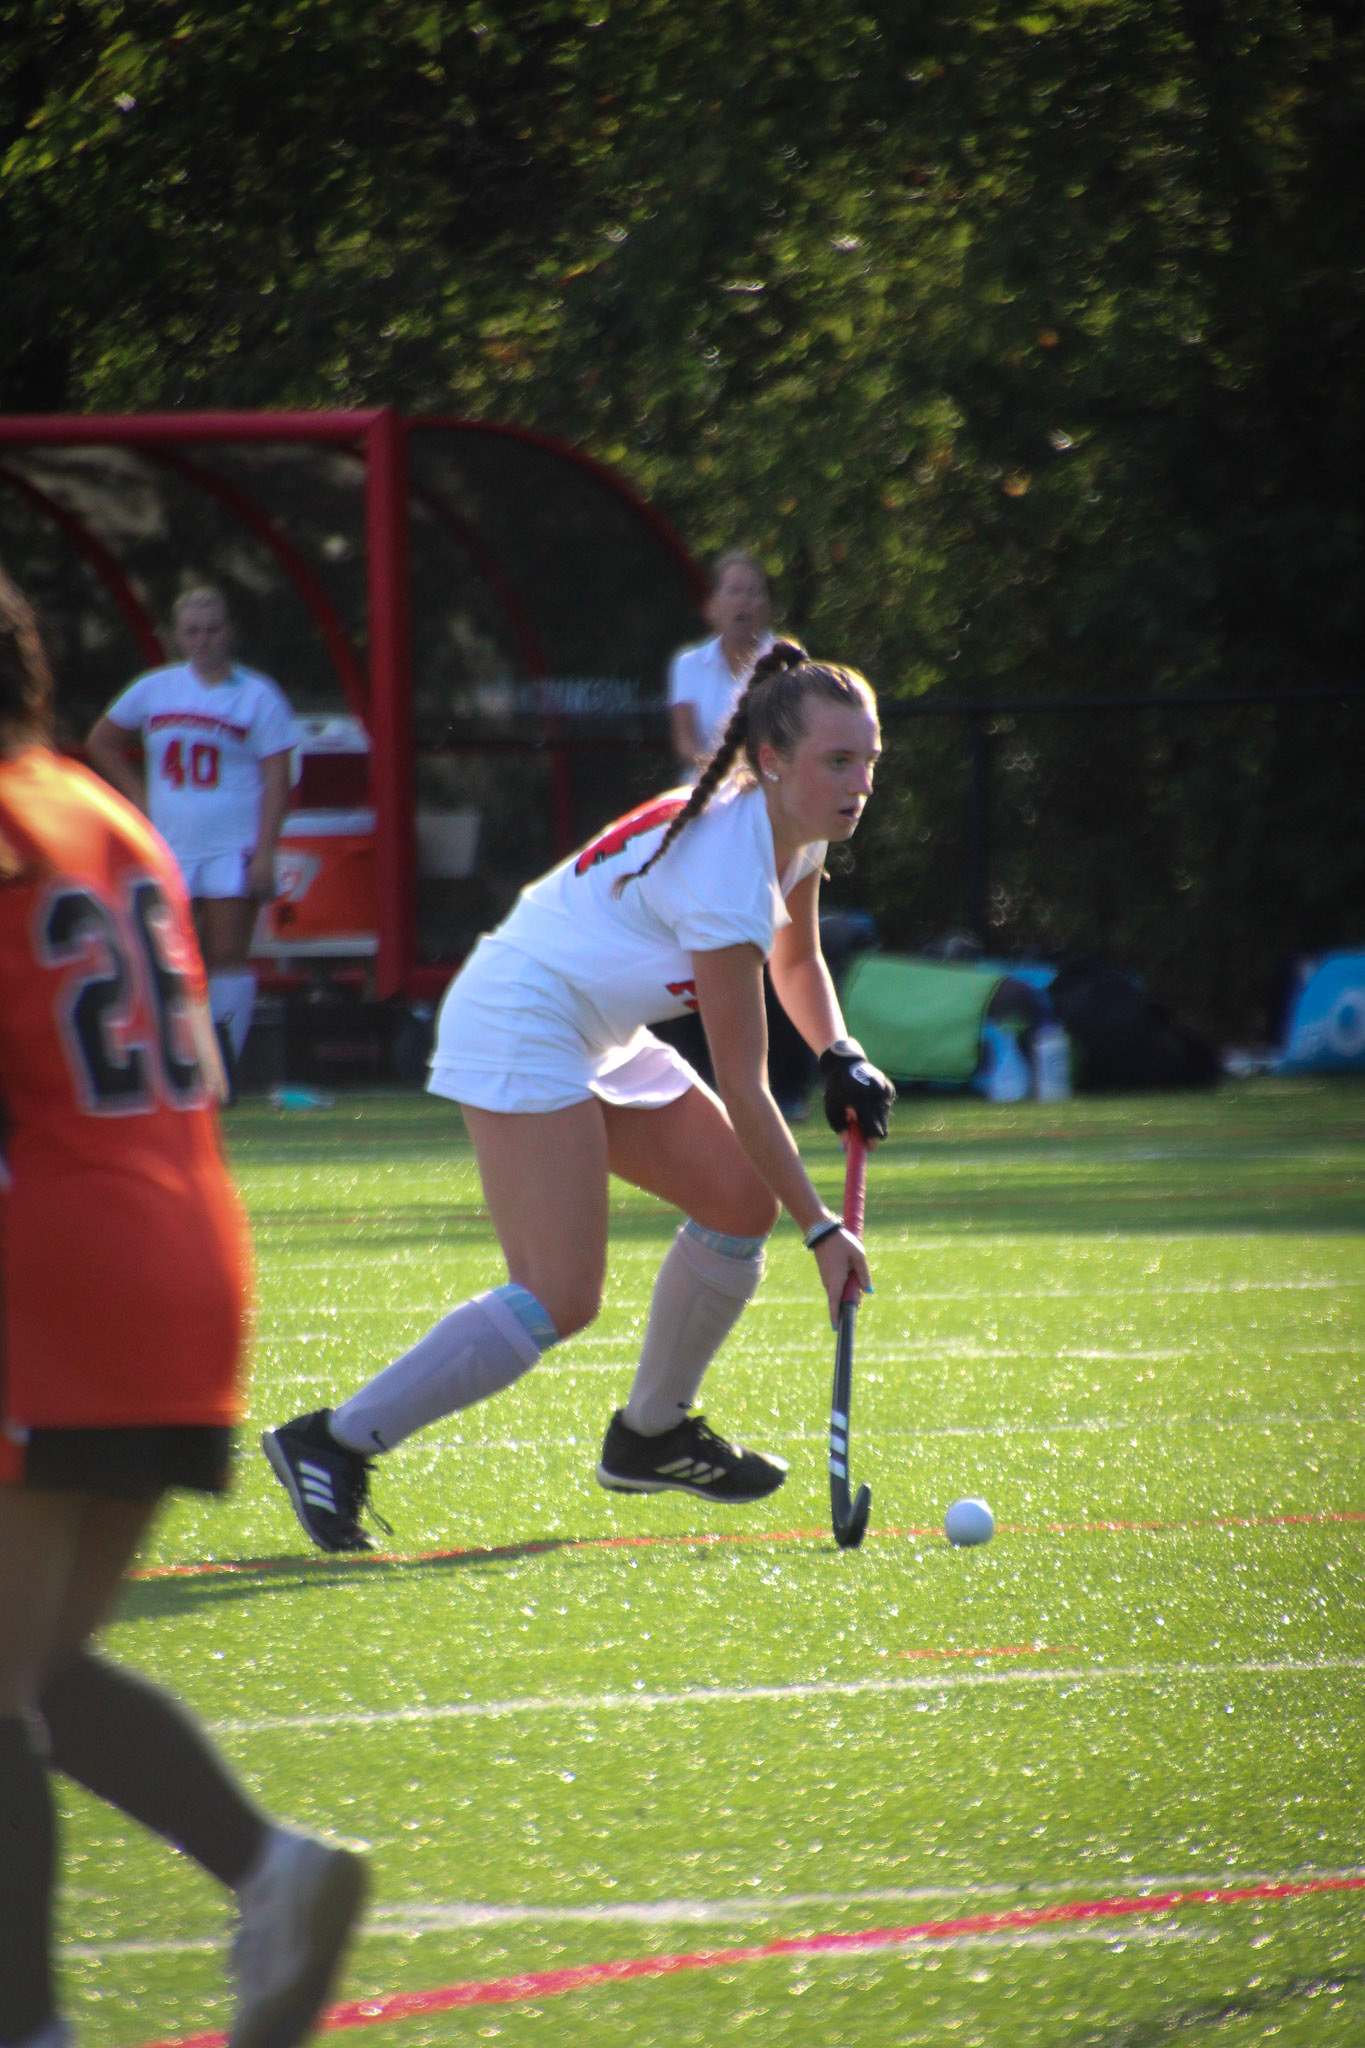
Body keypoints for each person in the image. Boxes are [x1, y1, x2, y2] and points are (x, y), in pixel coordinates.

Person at [263, 641, 896, 1555]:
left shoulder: (787, 831)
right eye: (837, 761)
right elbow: (746, 1087)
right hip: (522, 1018)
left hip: (592, 1027)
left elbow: (795, 961)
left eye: (868, 760)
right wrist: (821, 1230)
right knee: (559, 1293)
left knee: (734, 1200)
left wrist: (840, 1053)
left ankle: (650, 1436)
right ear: (770, 759)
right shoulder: (728, 865)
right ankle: (332, 1441)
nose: (859, 783)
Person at [0, 567, 365, 2048]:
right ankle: (269, 1872)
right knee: (34, 1665)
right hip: (186, 1249)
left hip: (54, 1263)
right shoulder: (106, 812)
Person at [85, 586, 294, 1083]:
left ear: (230, 632)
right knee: (165, 954)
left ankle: (222, 1071)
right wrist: (140, 800)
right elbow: (102, 741)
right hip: (170, 845)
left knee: (226, 955)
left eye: (213, 630)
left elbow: (277, 777)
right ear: (177, 636)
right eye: (192, 631)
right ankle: (174, 1063)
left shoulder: (257, 695)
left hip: (231, 844)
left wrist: (265, 852)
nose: (203, 640)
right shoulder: (156, 688)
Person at [667, 550, 774, 780]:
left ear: (767, 607)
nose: (744, 601)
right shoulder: (688, 663)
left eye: (753, 592)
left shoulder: (785, 659)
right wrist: (718, 769)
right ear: (712, 606)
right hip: (705, 786)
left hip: (767, 786)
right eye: (734, 591)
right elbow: (685, 742)